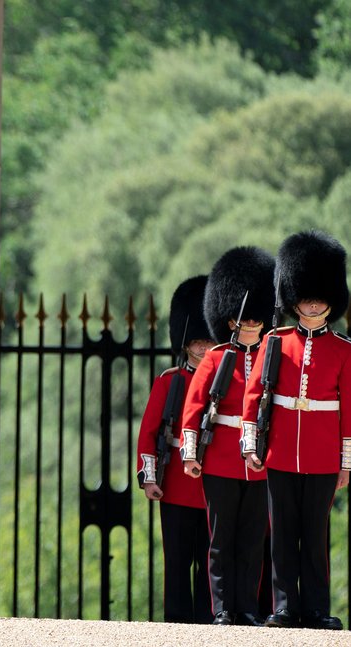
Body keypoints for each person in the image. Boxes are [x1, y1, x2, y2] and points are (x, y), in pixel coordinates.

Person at [241, 230, 351, 630]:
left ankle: (316, 609)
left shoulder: (343, 350)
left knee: (315, 537)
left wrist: (346, 463)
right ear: (293, 295)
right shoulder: (276, 341)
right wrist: (251, 443)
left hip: (323, 456)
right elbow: (254, 398)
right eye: (305, 294)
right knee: (283, 535)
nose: (313, 301)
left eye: (320, 294)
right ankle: (285, 606)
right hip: (282, 452)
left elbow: (349, 412)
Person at [180, 246, 275, 626]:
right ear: (230, 321)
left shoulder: (273, 354)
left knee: (252, 543)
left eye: (255, 320)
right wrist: (190, 454)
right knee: (221, 543)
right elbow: (193, 410)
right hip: (220, 458)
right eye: (243, 320)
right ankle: (223, 609)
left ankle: (247, 609)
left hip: (261, 465)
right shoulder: (217, 358)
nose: (250, 325)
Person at [135, 275, 214, 623]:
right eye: (195, 340)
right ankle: (178, 625)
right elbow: (149, 435)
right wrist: (150, 479)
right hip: (178, 489)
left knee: (210, 565)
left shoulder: (223, 381)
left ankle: (208, 622)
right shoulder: (170, 381)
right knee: (178, 563)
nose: (201, 347)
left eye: (207, 340)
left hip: (214, 486)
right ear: (184, 342)